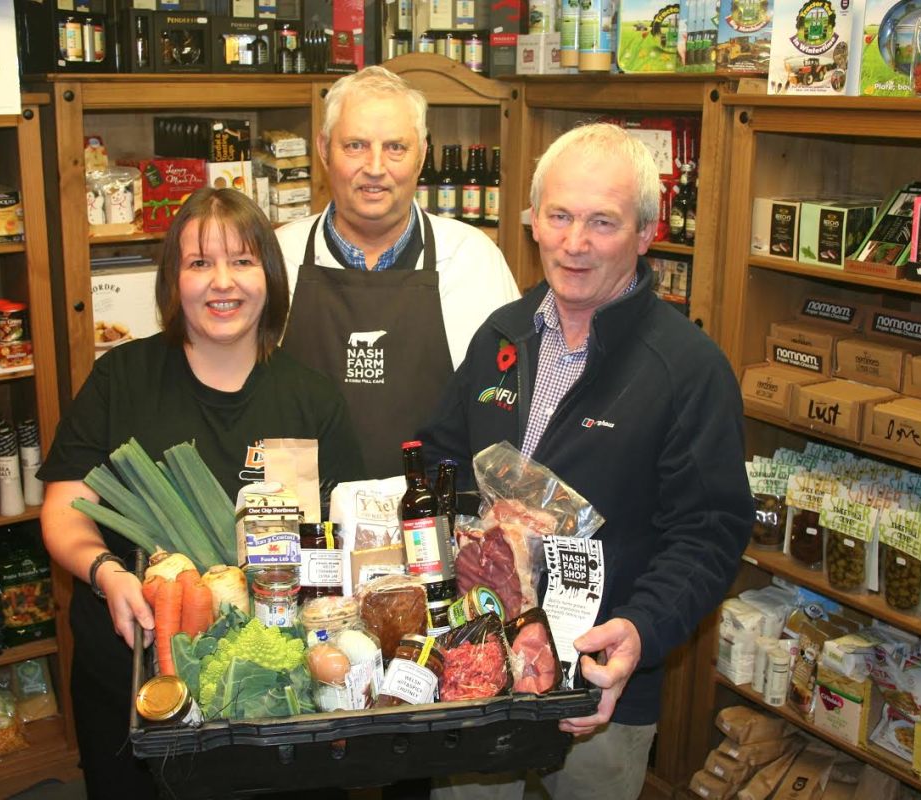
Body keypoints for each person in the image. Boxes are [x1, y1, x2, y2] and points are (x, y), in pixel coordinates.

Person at [421, 124, 754, 800]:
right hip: (481, 656)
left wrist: (640, 630)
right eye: (561, 216)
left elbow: (709, 530)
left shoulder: (687, 368)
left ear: (643, 233)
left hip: (601, 682)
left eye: (602, 222)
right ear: (534, 223)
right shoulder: (501, 334)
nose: (575, 243)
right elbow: (441, 454)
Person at [38, 188, 364, 800]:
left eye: (242, 261)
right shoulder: (121, 380)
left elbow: (346, 543)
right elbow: (63, 509)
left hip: (276, 680)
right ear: (172, 280)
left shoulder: (312, 399)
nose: (223, 283)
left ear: (269, 275)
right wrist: (107, 572)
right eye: (199, 263)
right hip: (136, 662)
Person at [276, 65, 520, 478]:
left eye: (395, 148)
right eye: (355, 145)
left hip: (432, 522)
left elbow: (507, 411)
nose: (375, 166)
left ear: (422, 153)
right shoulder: (279, 255)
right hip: (303, 526)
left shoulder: (472, 259)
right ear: (323, 150)